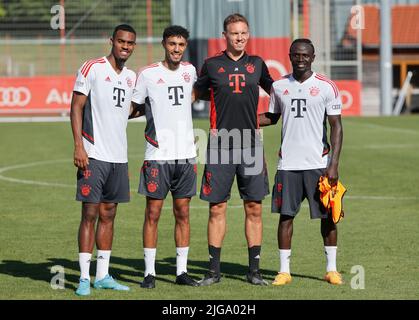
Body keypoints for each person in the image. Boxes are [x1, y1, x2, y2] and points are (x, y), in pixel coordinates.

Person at [194, 13, 273, 286]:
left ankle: (254, 271)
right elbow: (198, 92)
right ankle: (213, 271)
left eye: (243, 33)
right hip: (219, 144)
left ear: (248, 34)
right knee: (217, 208)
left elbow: (277, 94)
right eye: (234, 33)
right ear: (224, 36)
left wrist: (260, 120)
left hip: (251, 145)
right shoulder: (212, 65)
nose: (239, 37)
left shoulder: (258, 64)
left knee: (254, 207)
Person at [259, 38, 344, 286]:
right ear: (289, 56)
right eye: (296, 55)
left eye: (305, 55)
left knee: (328, 217)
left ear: (313, 58)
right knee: (286, 217)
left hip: (319, 164)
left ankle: (331, 269)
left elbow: (336, 127)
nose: (300, 59)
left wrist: (334, 164)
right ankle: (284, 271)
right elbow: (272, 117)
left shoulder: (327, 86)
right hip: (288, 165)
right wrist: (243, 119)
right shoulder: (278, 86)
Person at [70, 24, 137, 296]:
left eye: (130, 43)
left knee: (109, 215)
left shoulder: (132, 77)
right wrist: (78, 146)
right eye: (121, 41)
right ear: (112, 41)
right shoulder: (92, 68)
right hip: (93, 154)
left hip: (118, 158)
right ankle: (84, 278)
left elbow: (127, 111)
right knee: (90, 214)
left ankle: (103, 275)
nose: (125, 46)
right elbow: (76, 106)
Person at [130, 25, 198, 289]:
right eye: (172, 44)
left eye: (181, 44)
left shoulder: (191, 71)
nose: (176, 49)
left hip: (186, 157)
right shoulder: (147, 74)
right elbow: (134, 107)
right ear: (164, 44)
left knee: (183, 213)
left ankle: (181, 271)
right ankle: (149, 273)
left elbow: (194, 96)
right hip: (157, 155)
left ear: (185, 46)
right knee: (153, 213)